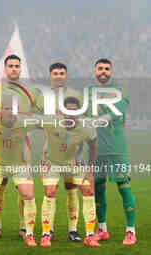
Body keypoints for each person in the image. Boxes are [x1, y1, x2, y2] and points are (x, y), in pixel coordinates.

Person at [0, 54, 42, 239]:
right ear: (5, 69)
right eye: (11, 66)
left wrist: (23, 116)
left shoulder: (31, 92)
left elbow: (40, 115)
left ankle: (24, 227)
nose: (14, 69)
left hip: (21, 145)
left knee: (24, 190)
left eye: (17, 66)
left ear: (21, 68)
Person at [86, 58, 136, 245]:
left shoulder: (119, 91)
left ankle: (130, 231)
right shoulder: (88, 93)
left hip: (116, 148)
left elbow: (119, 109)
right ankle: (102, 229)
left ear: (111, 71)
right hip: (96, 148)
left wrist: (105, 116)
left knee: (124, 185)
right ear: (94, 71)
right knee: (97, 187)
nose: (104, 71)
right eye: (100, 68)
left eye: (107, 68)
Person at [38, 97, 100, 247]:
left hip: (73, 162)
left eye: (74, 110)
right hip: (51, 162)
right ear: (61, 112)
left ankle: (88, 235)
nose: (71, 113)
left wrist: (90, 168)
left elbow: (93, 147)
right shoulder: (52, 121)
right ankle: (46, 233)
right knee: (50, 191)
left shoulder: (86, 127)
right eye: (68, 110)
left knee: (87, 190)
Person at [0, 95, 38, 247]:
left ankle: (29, 234)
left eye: (13, 109)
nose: (10, 111)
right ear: (0, 110)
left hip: (19, 165)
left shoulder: (25, 123)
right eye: (6, 108)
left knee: (28, 194)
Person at [41, 62, 85, 241]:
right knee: (50, 191)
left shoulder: (76, 96)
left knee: (71, 189)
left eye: (62, 73)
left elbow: (83, 121)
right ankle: (47, 230)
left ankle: (73, 230)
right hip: (50, 151)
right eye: (55, 73)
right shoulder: (43, 98)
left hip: (73, 152)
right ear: (50, 76)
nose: (58, 76)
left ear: (66, 75)